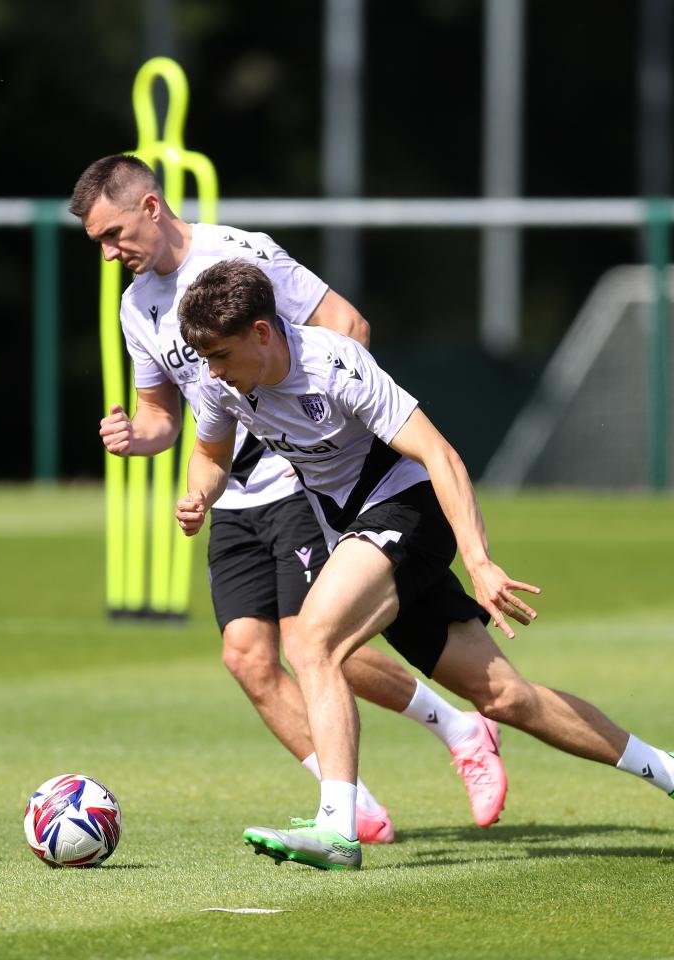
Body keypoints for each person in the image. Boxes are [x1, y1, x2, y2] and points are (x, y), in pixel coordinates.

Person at [175, 258, 674, 871]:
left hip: (408, 511)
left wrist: (480, 561)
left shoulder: (333, 364)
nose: (212, 370)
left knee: (311, 641)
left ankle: (337, 825)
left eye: (221, 355)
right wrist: (201, 494)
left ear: (263, 333)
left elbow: (440, 455)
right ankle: (673, 770)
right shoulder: (220, 383)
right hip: (357, 535)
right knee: (504, 698)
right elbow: (211, 452)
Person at [69, 154, 509, 843]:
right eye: (97, 242)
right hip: (231, 492)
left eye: (113, 234)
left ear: (151, 207)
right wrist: (136, 437)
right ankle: (356, 801)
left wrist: (301, 431)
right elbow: (165, 419)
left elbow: (348, 327)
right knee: (246, 657)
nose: (108, 253)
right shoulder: (136, 307)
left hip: (301, 484)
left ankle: (448, 734)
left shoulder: (241, 253)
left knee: (315, 641)